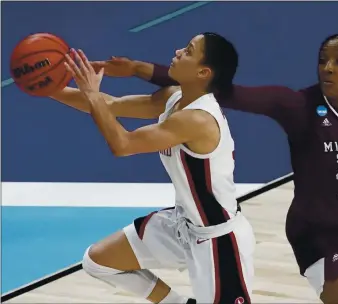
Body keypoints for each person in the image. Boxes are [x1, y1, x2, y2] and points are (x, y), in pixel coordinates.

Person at [91, 32, 338, 304]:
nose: (327, 67)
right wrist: (136, 69)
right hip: (317, 230)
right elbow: (223, 89)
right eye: (323, 60)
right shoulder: (296, 105)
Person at [51, 32, 255, 304]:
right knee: (98, 261)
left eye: (189, 50)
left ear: (203, 72)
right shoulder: (174, 97)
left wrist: (91, 92)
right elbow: (109, 106)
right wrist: (49, 89)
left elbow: (122, 144)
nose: (178, 50)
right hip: (181, 226)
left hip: (218, 241)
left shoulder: (197, 120)